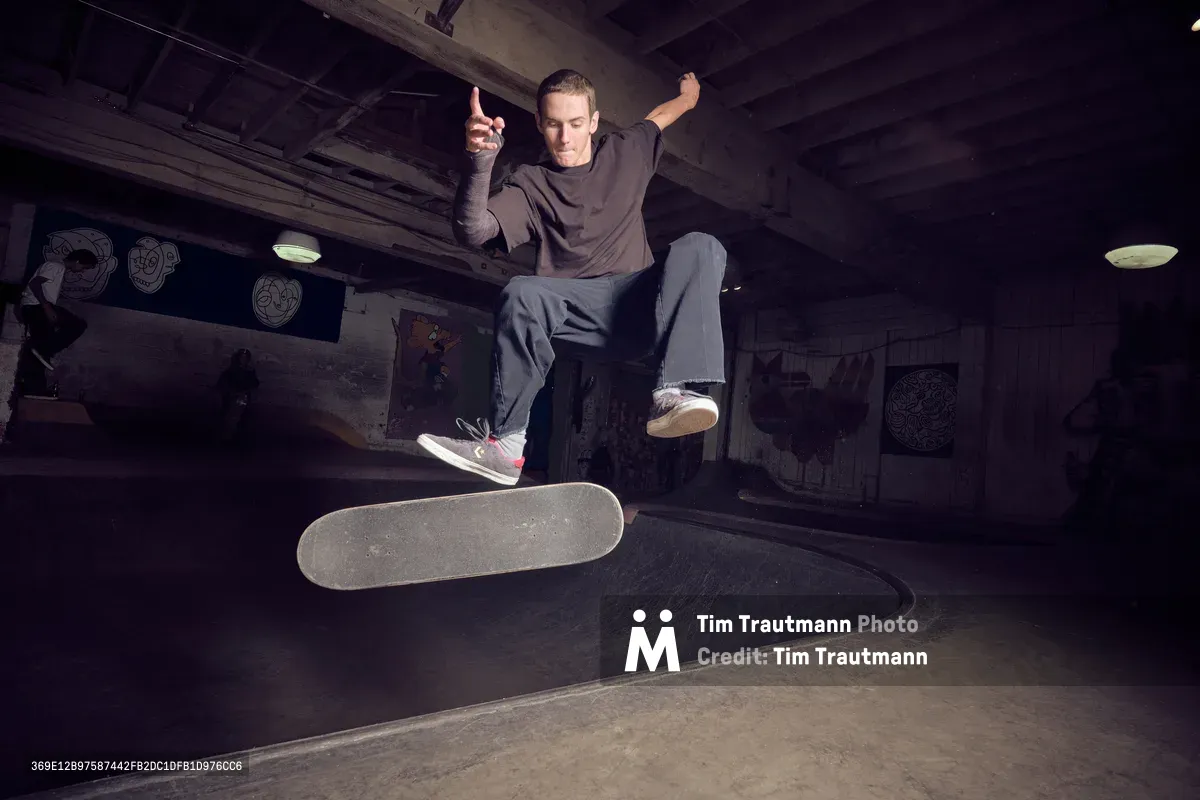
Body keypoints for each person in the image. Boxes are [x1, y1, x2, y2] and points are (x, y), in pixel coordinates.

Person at [417, 69, 727, 485]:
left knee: (701, 245)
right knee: (522, 292)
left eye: (577, 124)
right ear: (539, 123)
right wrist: (480, 161)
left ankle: (675, 391)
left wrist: (688, 98)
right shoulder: (531, 184)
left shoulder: (626, 150)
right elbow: (474, 230)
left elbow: (659, 116)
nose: (565, 137)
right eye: (554, 124)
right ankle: (505, 448)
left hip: (639, 308)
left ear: (594, 123)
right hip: (576, 316)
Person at [18, 249, 94, 375]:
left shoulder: (57, 267)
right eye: (84, 267)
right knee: (78, 325)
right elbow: (35, 284)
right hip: (35, 308)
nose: (82, 271)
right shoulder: (56, 266)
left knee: (38, 354)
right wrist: (46, 307)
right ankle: (43, 350)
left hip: (34, 308)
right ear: (78, 261)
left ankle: (33, 385)